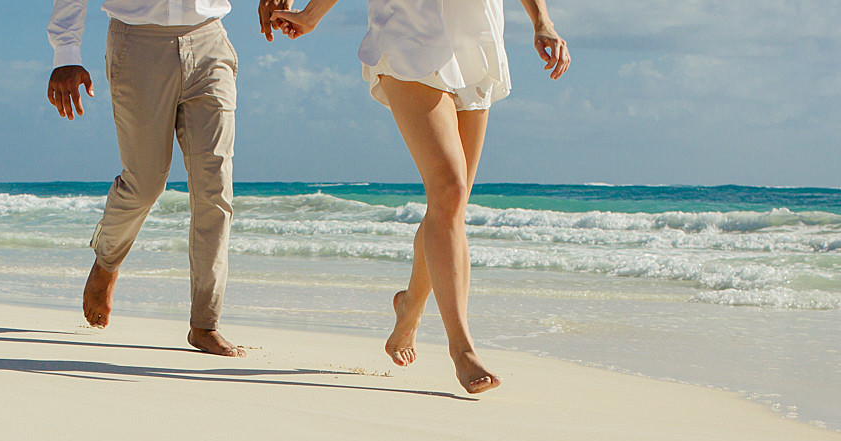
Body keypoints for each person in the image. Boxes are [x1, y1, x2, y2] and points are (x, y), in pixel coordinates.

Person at [267, 0, 568, 394]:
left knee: (451, 205)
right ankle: (462, 349)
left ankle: (410, 305)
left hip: (474, 32)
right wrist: (312, 14)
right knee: (450, 189)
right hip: (408, 27)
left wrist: (541, 20)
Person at [48, 0, 293, 356]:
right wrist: (66, 53)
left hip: (209, 40)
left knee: (216, 187)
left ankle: (205, 322)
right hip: (136, 42)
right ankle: (107, 259)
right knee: (145, 183)